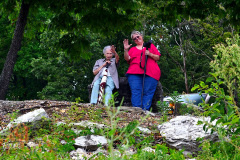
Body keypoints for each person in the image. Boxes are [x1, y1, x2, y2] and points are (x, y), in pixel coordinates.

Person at [123, 31, 161, 110]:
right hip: (134, 72)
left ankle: (145, 111)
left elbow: (157, 57)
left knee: (148, 92)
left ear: (141, 36)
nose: (137, 39)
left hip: (151, 72)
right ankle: (137, 111)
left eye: (137, 36)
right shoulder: (133, 49)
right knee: (136, 91)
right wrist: (126, 50)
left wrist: (150, 54)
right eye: (134, 39)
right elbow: (127, 58)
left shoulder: (150, 46)